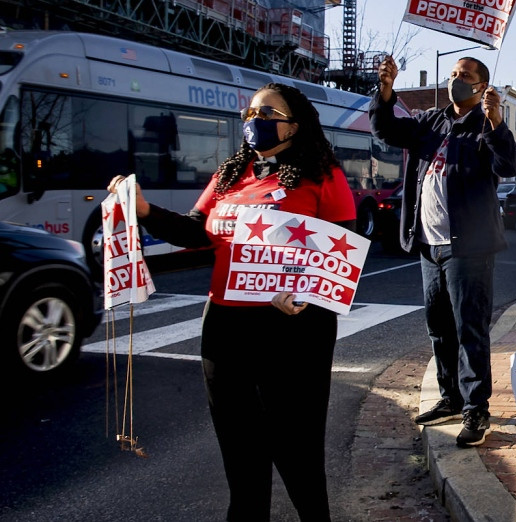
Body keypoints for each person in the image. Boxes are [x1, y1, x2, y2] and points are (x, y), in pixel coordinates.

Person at [108, 83, 355, 521]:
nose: (254, 120)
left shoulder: (324, 175)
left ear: (294, 125)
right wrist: (145, 211)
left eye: (267, 112)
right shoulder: (229, 175)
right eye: (250, 113)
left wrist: (307, 296)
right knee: (240, 450)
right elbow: (194, 233)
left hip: (293, 329)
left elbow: (347, 252)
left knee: (295, 449)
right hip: (224, 326)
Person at [369, 53, 516, 447]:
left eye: (465, 75)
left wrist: (497, 122)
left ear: (481, 85)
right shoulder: (430, 123)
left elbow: (508, 166)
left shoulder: (486, 124)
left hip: (468, 248)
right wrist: (385, 93)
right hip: (428, 245)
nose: (456, 79)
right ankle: (450, 397)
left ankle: (476, 409)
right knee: (439, 327)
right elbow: (386, 131)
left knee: (469, 328)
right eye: (453, 73)